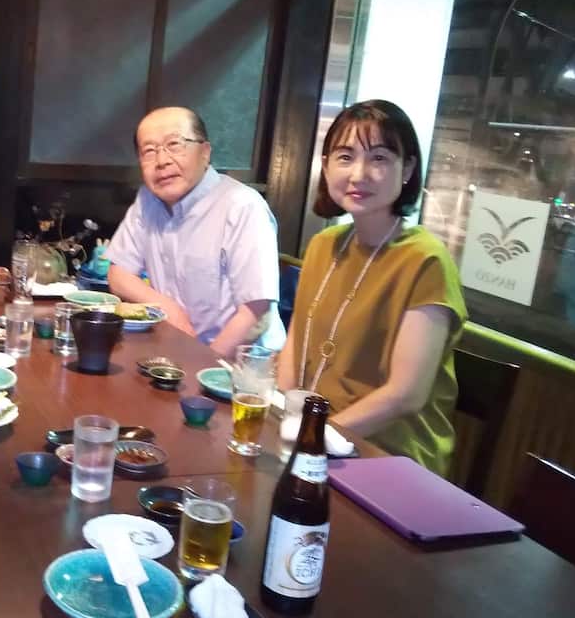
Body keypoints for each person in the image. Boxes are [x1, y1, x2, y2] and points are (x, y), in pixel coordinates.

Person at [276, 99, 467, 477]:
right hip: (313, 443)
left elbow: (405, 395)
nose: (358, 174)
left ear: (407, 169)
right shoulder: (323, 245)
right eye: (345, 157)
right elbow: (296, 343)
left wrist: (315, 437)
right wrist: (282, 416)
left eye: (379, 158)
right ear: (326, 165)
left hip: (386, 458)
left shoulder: (425, 260)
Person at [106, 106, 286, 357]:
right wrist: (169, 310)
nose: (162, 161)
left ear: (205, 152)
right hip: (176, 354)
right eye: (149, 151)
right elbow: (118, 274)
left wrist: (203, 365)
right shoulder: (148, 200)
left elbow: (257, 313)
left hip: (242, 365)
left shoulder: (242, 206)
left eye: (174, 145)